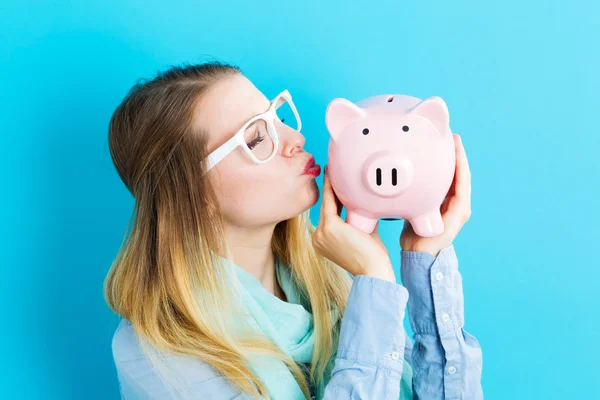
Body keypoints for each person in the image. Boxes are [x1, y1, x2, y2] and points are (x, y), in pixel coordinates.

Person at [105, 60, 483, 399]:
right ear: (190, 193)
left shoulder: (329, 281)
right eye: (256, 137)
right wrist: (376, 282)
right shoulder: (158, 357)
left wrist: (425, 256)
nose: (295, 139)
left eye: (279, 119)